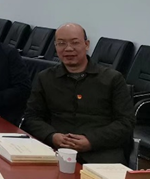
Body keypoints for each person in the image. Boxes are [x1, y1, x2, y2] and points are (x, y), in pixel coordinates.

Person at [22, 23, 135, 164]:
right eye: (61, 43)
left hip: (101, 152)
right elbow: (31, 117)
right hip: (55, 150)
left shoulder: (112, 79)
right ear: (55, 47)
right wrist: (52, 136)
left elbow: (125, 123)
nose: (68, 49)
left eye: (75, 43)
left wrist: (91, 140)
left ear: (86, 45)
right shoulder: (45, 78)